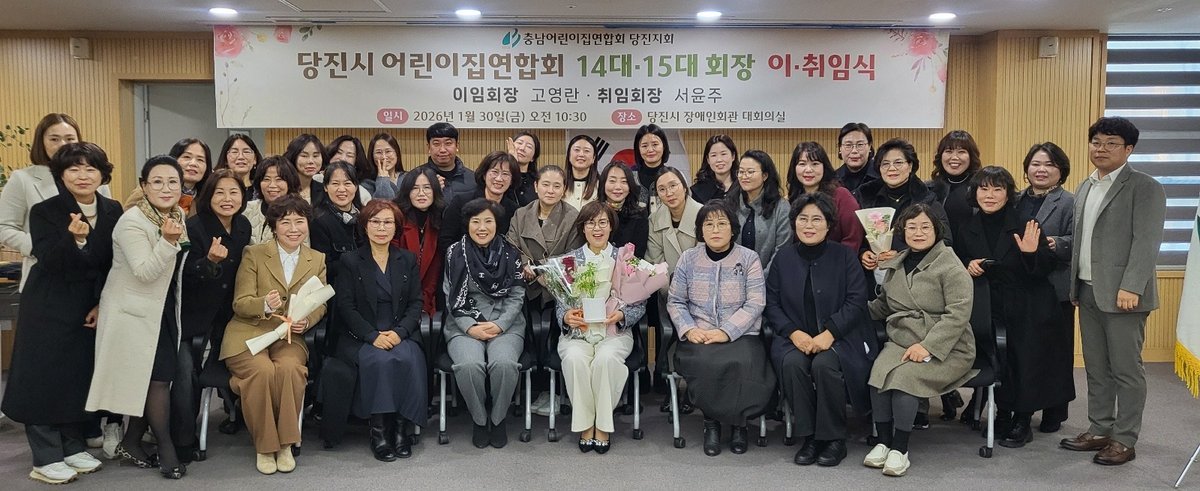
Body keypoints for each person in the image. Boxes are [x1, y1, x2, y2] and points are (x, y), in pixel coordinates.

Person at [2, 142, 121, 484]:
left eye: (90, 168)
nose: (83, 176)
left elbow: (114, 262)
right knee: (43, 376)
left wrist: (101, 302)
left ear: (102, 174)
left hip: (86, 303)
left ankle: (71, 446)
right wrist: (74, 240)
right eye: (73, 169)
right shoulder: (45, 211)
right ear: (61, 175)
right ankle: (45, 457)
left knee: (75, 375)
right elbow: (49, 260)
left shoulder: (112, 209)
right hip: (48, 302)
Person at [1060, 116, 1165, 466]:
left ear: (1128, 149)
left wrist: (1131, 286)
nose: (1101, 149)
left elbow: (1147, 242)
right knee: (1096, 367)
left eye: (1111, 143)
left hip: (1124, 295)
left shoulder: (1144, 186)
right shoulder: (1086, 186)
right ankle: (1100, 428)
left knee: (1126, 369)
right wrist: (1075, 285)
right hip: (1088, 290)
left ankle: (1125, 438)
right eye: (1096, 142)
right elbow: (1080, 242)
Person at [87, 155, 190, 479]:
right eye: (157, 182)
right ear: (144, 186)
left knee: (156, 378)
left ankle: (131, 441)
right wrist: (168, 241)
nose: (166, 188)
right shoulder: (131, 221)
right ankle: (166, 449)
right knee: (154, 381)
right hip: (131, 313)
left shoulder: (177, 214)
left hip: (161, 310)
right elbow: (145, 272)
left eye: (172, 182)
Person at [956, 166, 1072, 449]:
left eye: (997, 189)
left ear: (1008, 194)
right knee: (998, 358)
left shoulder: (1026, 223)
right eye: (984, 189)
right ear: (975, 193)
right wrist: (967, 265)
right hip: (989, 304)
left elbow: (1046, 267)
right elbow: (957, 261)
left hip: (1029, 303)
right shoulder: (966, 226)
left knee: (1024, 358)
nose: (990, 195)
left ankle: (1022, 419)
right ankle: (1002, 413)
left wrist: (1032, 254)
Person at [863, 204, 975, 477]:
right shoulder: (897, 262)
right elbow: (884, 305)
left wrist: (927, 346)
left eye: (925, 227)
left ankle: (900, 449)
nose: (918, 232)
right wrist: (850, 309)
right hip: (903, 339)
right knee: (878, 375)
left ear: (937, 230)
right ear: (902, 232)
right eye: (911, 227)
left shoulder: (950, 264)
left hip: (948, 346)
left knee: (904, 380)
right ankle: (883, 442)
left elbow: (958, 314)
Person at [218, 195, 327, 475]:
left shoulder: (317, 259)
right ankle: (265, 446)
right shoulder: (254, 254)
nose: (293, 228)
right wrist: (264, 304)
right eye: (285, 222)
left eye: (299, 222)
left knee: (290, 369)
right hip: (248, 332)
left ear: (308, 225)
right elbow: (240, 303)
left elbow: (320, 303)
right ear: (274, 226)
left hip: (289, 335)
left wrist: (307, 320)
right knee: (263, 371)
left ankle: (286, 444)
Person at [765, 193, 872, 467]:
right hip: (794, 338)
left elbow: (857, 300)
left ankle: (834, 438)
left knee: (824, 365)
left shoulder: (844, 256)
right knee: (793, 364)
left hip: (840, 337)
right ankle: (810, 436)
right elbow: (772, 303)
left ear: (828, 224)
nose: (809, 225)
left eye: (817, 219)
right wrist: (793, 332)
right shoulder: (783, 258)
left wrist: (830, 333)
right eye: (803, 219)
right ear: (794, 223)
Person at [667, 200, 774, 457]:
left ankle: (739, 425)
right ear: (700, 230)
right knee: (706, 363)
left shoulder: (749, 258)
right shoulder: (688, 258)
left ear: (733, 229)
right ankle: (711, 423)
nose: (715, 230)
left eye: (722, 223)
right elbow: (676, 301)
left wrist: (726, 332)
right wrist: (689, 330)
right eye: (709, 224)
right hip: (699, 333)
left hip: (740, 334)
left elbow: (756, 302)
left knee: (743, 362)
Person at [333, 200, 426, 462]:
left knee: (406, 357)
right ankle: (379, 432)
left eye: (388, 222)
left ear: (396, 227)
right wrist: (372, 336)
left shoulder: (406, 259)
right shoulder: (350, 261)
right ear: (365, 226)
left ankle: (401, 429)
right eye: (375, 222)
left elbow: (416, 303)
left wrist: (400, 332)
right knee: (380, 361)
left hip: (400, 330)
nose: (381, 228)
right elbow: (346, 306)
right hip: (364, 333)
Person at [556, 201, 647, 454]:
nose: (597, 228)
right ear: (582, 228)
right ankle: (585, 425)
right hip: (579, 333)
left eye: (603, 223)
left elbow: (640, 302)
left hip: (613, 333)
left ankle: (603, 426)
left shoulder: (626, 259)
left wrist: (622, 314)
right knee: (574, 359)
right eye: (591, 223)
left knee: (605, 360)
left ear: (611, 227)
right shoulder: (569, 261)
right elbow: (560, 303)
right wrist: (567, 316)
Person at [178, 168, 252, 462]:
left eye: (234, 192)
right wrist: (208, 261)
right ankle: (184, 439)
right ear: (208, 196)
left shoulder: (243, 225)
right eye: (219, 192)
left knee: (233, 361)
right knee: (187, 372)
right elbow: (183, 274)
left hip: (230, 313)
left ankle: (238, 415)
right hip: (194, 313)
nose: (227, 198)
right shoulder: (193, 227)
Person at [443, 198, 526, 449]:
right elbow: (450, 295)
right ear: (467, 224)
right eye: (475, 221)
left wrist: (500, 324)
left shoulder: (511, 252)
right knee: (469, 365)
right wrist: (470, 326)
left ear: (497, 224)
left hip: (505, 323)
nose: (482, 227)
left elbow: (517, 295)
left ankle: (498, 418)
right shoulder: (454, 253)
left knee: (504, 364)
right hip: (464, 323)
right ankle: (479, 419)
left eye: (488, 221)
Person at [0, 113, 111, 292]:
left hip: (92, 279)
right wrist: (39, 245)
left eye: (69, 139)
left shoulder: (95, 180)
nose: (62, 145)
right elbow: (4, 227)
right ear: (41, 142)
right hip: (46, 277)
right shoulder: (23, 179)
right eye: (54, 139)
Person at [1015, 141, 1076, 432]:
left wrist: (1056, 243)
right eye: (1036, 164)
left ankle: (1055, 412)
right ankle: (1022, 410)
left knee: (1056, 353)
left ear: (1061, 170)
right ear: (1027, 168)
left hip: (1054, 288)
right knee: (1026, 353)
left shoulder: (1069, 202)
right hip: (1021, 287)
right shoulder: (1015, 199)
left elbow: (1080, 241)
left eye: (1049, 165)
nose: (1041, 170)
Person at [647, 167, 703, 412]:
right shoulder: (655, 220)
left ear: (684, 186)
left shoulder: (703, 214)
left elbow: (706, 260)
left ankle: (693, 388)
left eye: (673, 186)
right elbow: (654, 262)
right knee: (671, 330)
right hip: (669, 293)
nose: (669, 193)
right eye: (662, 189)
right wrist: (676, 295)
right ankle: (673, 388)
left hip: (703, 293)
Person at [855, 138, 951, 280]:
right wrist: (862, 253)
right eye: (885, 164)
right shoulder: (866, 197)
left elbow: (945, 240)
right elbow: (856, 235)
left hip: (915, 276)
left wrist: (903, 254)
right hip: (872, 277)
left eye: (898, 163)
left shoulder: (926, 200)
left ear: (910, 165)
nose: (891, 168)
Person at [506, 164, 583, 312]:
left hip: (558, 288)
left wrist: (537, 267)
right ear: (536, 186)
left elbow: (573, 255)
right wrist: (525, 265)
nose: (550, 191)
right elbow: (511, 246)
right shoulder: (521, 214)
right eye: (545, 184)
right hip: (524, 284)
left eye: (557, 186)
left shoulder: (573, 217)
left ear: (564, 190)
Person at [437, 151, 520, 260]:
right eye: (494, 172)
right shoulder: (461, 202)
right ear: (484, 175)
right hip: (462, 263)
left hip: (501, 266)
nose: (499, 178)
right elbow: (446, 240)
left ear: (512, 180)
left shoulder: (515, 211)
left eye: (505, 174)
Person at [786, 141, 865, 252]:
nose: (808, 170)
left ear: (824, 167)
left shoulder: (841, 196)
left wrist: (837, 260)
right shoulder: (790, 200)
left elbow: (853, 237)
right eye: (802, 164)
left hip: (838, 259)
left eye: (815, 164)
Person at [392, 167, 446, 317]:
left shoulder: (440, 218)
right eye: (415, 188)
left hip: (426, 298)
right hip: (396, 296)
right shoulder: (395, 218)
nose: (421, 193)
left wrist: (424, 302)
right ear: (406, 192)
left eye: (427, 187)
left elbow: (435, 270)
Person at [727, 150, 790, 270]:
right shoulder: (730, 204)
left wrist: (760, 278)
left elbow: (781, 251)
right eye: (741, 172)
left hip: (770, 277)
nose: (744, 176)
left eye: (750, 172)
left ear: (765, 175)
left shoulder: (781, 207)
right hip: (732, 277)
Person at [123, 138, 212, 214]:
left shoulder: (208, 196)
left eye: (200, 160)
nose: (193, 163)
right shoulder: (149, 189)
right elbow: (128, 217)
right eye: (187, 157)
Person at [310, 161, 366, 283]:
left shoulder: (365, 216)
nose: (341, 189)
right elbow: (324, 265)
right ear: (326, 187)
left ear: (356, 186)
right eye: (335, 184)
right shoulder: (319, 220)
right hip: (338, 286)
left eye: (347, 183)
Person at [927, 130, 983, 236]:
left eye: (961, 152)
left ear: (971, 156)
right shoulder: (929, 189)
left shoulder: (981, 188)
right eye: (949, 151)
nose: (954, 157)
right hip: (940, 246)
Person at [244, 156, 301, 244]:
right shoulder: (247, 209)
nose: (272, 185)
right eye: (266, 179)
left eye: (279, 179)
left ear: (289, 182)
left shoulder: (300, 211)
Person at [599, 161, 650, 257]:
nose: (618, 187)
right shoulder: (593, 212)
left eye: (624, 182)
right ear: (603, 183)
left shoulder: (640, 214)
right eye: (612, 181)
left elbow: (638, 253)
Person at [417, 122, 475, 201]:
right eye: (436, 144)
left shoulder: (473, 179)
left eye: (448, 143)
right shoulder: (415, 178)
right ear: (429, 147)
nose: (442, 150)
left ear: (457, 146)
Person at [326, 134, 377, 204]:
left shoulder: (364, 189)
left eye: (349, 155)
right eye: (339, 152)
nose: (342, 158)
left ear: (356, 162)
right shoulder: (317, 179)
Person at [691, 134, 739, 204]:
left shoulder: (743, 186)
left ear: (733, 156)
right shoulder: (699, 190)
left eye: (723, 154)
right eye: (714, 155)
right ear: (708, 160)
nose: (719, 160)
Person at [833, 122, 879, 193]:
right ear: (840, 148)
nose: (854, 151)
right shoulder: (833, 179)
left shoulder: (882, 175)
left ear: (870, 146)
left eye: (860, 145)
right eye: (848, 145)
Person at [632, 124, 670, 209]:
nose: (650, 150)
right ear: (638, 149)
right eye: (644, 146)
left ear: (664, 146)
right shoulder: (630, 177)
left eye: (655, 144)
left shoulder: (673, 176)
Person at [284, 133, 327, 205]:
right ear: (293, 157)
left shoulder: (324, 190)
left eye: (315, 156)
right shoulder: (284, 188)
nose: (311, 161)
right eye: (304, 156)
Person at [214, 134, 262, 198]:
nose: (241, 157)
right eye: (234, 152)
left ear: (255, 159)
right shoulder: (214, 189)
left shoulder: (262, 190)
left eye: (246, 152)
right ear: (225, 159)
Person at [562, 134, 600, 212]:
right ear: (569, 155)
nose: (581, 154)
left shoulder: (602, 184)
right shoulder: (559, 183)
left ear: (594, 158)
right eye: (577, 150)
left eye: (586, 151)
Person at [506, 131, 541, 206]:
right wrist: (512, 161)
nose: (522, 148)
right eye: (519, 143)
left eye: (529, 147)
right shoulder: (500, 177)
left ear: (533, 158)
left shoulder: (537, 181)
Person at [367, 133, 405, 200]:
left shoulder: (408, 178)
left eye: (388, 151)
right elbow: (383, 204)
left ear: (397, 153)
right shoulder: (367, 184)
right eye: (378, 152)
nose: (384, 157)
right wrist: (383, 179)